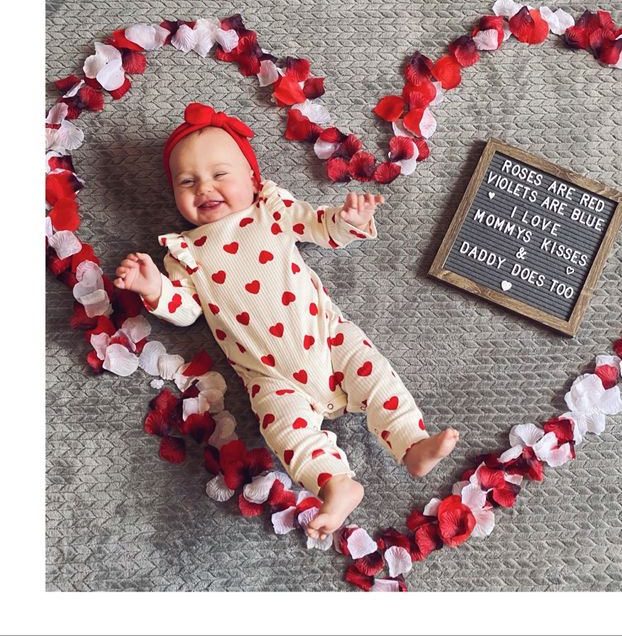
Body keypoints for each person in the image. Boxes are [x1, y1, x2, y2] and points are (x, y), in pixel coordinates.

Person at [113, 102, 459, 540]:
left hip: (326, 338)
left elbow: (319, 226)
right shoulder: (184, 252)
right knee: (285, 433)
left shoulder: (269, 210)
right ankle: (337, 484)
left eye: (220, 174)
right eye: (187, 181)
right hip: (269, 376)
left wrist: (348, 220)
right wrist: (153, 288)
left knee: (376, 378)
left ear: (253, 179)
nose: (204, 187)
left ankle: (412, 443)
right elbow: (186, 311)